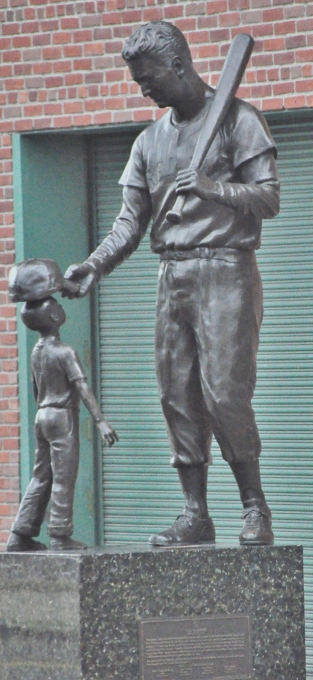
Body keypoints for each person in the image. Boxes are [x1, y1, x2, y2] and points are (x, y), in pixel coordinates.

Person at [64, 21, 280, 546]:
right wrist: (94, 265)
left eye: (148, 78)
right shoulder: (149, 142)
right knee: (177, 394)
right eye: (139, 81)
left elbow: (269, 198)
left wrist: (214, 188)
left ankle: (255, 508)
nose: (144, 89)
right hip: (173, 275)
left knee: (224, 393)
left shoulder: (239, 120)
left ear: (179, 65)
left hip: (226, 268)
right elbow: (129, 223)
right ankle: (195, 514)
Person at [6, 289, 118, 552]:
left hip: (42, 415)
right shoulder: (65, 352)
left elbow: (36, 390)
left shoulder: (36, 351)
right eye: (57, 304)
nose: (60, 306)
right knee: (63, 477)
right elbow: (82, 388)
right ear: (54, 317)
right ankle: (59, 533)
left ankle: (21, 533)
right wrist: (100, 421)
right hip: (61, 417)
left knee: (40, 476)